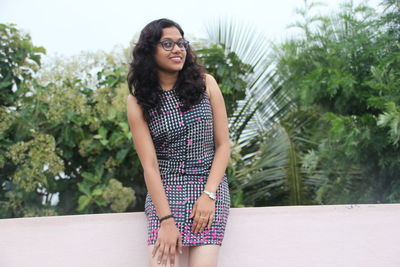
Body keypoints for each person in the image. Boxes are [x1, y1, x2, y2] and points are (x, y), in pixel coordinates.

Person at [126, 18, 231, 267]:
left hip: (209, 188)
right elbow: (149, 165)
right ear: (149, 51)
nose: (178, 49)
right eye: (167, 44)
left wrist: (209, 195)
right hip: (165, 192)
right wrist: (166, 220)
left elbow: (223, 145)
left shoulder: (207, 84)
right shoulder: (137, 100)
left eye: (181, 43)